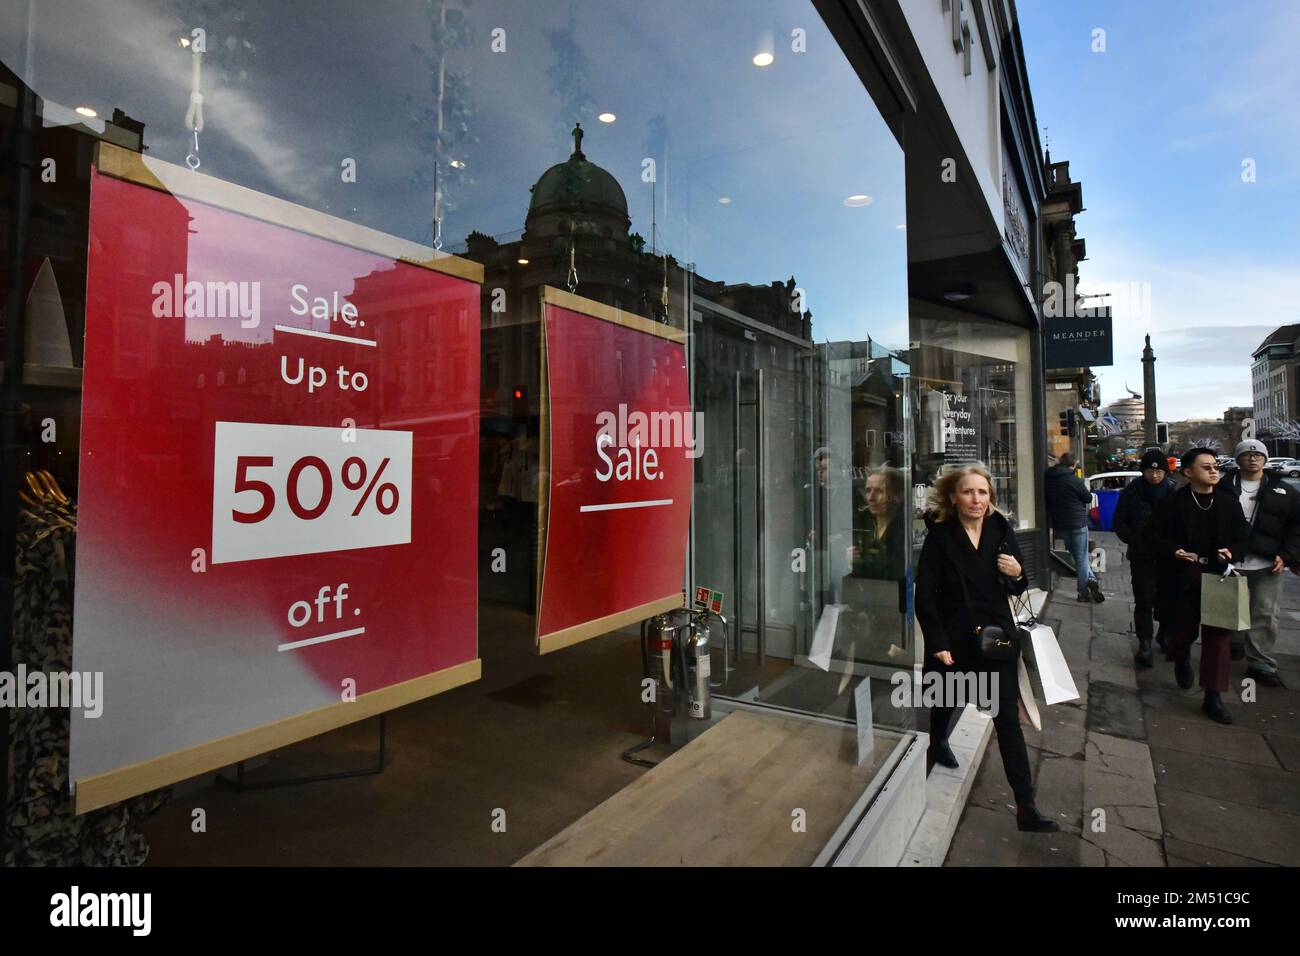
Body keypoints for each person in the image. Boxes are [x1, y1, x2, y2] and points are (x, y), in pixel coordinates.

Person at [915, 463, 1059, 833]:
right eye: (968, 492)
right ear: (953, 497)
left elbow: (1017, 585)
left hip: (996, 638)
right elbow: (925, 596)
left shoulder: (1000, 530)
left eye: (982, 492)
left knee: (1007, 721)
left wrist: (1018, 574)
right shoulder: (941, 537)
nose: (976, 499)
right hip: (954, 639)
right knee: (945, 700)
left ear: (990, 497)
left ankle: (1026, 807)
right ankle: (938, 741)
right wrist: (937, 642)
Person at [1150, 448, 1249, 724]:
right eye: (1206, 467)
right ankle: (1180, 656)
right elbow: (1153, 535)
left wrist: (1232, 551)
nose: (1214, 471)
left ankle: (1213, 695)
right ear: (1188, 472)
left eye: (1215, 466)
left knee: (1219, 636)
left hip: (1218, 573)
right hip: (1184, 574)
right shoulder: (1174, 503)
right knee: (1183, 629)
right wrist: (1175, 550)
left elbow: (1243, 536)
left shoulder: (1228, 502)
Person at [1226, 439, 1297, 688]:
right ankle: (1234, 642)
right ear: (1238, 459)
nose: (1253, 458)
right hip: (1231, 563)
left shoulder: (1284, 491)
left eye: (1258, 455)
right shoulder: (1223, 487)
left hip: (1267, 564)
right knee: (1232, 612)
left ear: (1265, 460)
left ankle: (1260, 663)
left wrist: (1287, 555)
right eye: (1246, 454)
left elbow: (1295, 526)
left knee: (1264, 613)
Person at [1112, 448, 1177, 666]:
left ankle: (1165, 634)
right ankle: (1145, 643)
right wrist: (1134, 539)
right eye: (1150, 470)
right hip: (1142, 555)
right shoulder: (1132, 491)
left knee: (1168, 598)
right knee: (1144, 599)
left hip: (1169, 556)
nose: (1155, 475)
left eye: (1159, 472)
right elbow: (1119, 522)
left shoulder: (1173, 491)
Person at [1045, 452, 1104, 603]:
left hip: (1060, 523)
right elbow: (1088, 497)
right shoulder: (1073, 479)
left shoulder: (1048, 477)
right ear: (1071, 465)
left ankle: (1091, 580)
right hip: (1078, 522)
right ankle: (1083, 592)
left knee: (1076, 555)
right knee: (1081, 556)